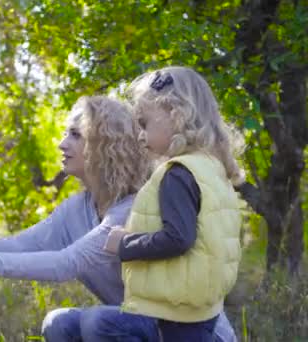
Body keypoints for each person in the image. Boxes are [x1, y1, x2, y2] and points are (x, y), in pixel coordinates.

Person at [0, 95, 238, 341]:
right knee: (60, 322)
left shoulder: (135, 205)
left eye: (74, 134)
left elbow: (66, 263)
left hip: (195, 334)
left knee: (98, 321)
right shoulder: (77, 208)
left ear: (105, 145)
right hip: (141, 324)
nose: (61, 143)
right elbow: (21, 244)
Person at [103, 66, 245, 341]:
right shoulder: (212, 169)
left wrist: (124, 244)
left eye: (144, 123)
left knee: (88, 325)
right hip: (203, 306)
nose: (140, 135)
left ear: (177, 114)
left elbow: (178, 238)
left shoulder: (178, 174)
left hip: (177, 311)